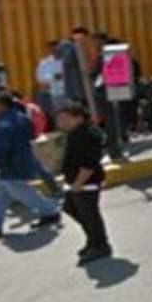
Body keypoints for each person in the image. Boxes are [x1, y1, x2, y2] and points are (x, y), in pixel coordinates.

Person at [0, 86, 62, 239]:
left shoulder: (8, 121)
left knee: (23, 192)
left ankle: (50, 211)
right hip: (12, 163)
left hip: (12, 164)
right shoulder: (12, 117)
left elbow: (2, 145)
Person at [56, 103, 111, 264]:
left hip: (86, 182)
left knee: (90, 214)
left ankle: (100, 244)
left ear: (78, 117)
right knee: (70, 207)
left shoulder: (88, 134)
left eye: (65, 118)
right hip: (75, 182)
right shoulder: (75, 132)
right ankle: (93, 239)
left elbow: (89, 162)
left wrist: (79, 182)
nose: (61, 122)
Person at [35, 40, 65, 116]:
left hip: (69, 92)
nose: (55, 50)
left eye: (56, 48)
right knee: (59, 114)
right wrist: (54, 77)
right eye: (52, 48)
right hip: (55, 93)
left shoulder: (67, 60)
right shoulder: (44, 63)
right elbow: (40, 78)